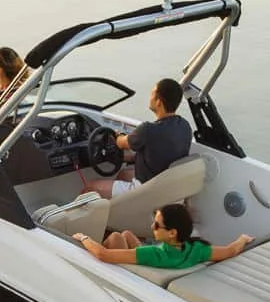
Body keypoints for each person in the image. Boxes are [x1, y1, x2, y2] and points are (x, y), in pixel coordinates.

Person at [87, 78, 192, 199]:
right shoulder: (184, 126)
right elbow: (157, 152)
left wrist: (117, 136)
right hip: (165, 186)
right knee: (123, 174)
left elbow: (120, 143)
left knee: (90, 187)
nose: (150, 97)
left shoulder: (147, 130)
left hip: (146, 189)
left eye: (152, 94)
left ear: (159, 102)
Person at [72, 203, 253, 267]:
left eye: (157, 225)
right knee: (126, 234)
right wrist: (242, 239)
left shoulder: (155, 254)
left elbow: (103, 254)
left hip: (140, 273)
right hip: (159, 266)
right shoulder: (197, 250)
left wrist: (84, 238)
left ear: (172, 232)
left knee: (116, 238)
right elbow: (230, 251)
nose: (152, 226)